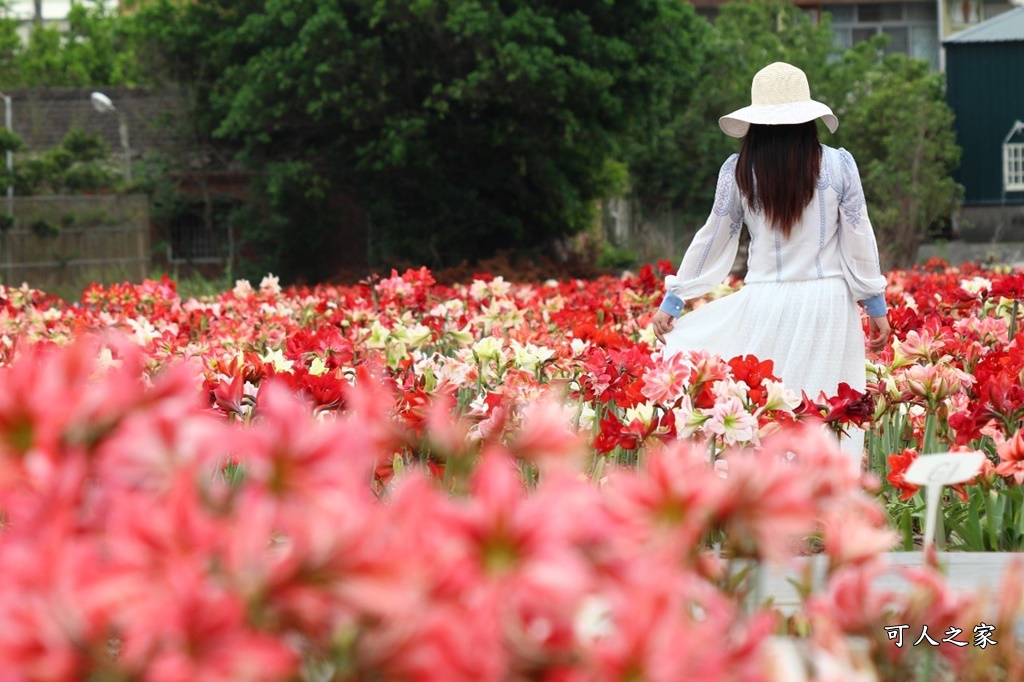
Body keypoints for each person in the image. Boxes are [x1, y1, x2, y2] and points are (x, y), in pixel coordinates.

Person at [650, 62, 890, 456]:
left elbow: (715, 237)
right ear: (808, 117)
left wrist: (677, 297)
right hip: (828, 304)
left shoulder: (741, 170)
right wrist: (874, 301)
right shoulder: (837, 165)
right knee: (824, 414)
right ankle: (824, 506)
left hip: (765, 301)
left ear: (755, 122)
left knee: (766, 414)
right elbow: (858, 235)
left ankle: (767, 504)